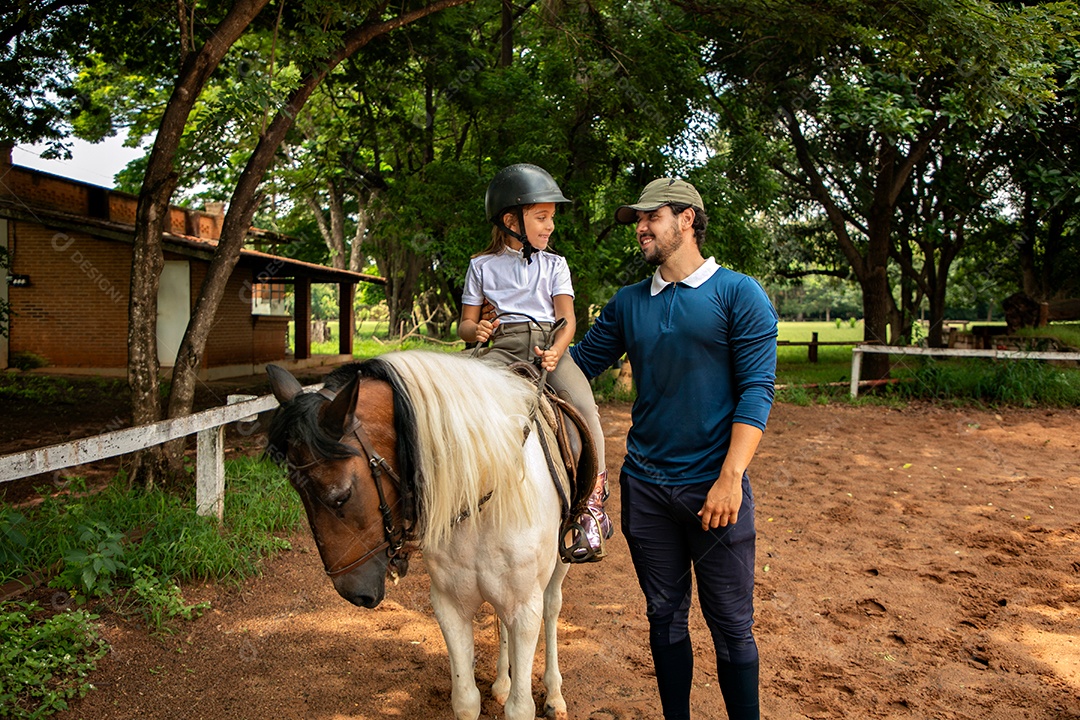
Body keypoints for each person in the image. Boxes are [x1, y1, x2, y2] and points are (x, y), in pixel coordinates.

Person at [568, 177, 778, 719]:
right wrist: (514, 342)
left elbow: (757, 390)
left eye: (651, 217)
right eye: (638, 220)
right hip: (647, 491)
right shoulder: (629, 303)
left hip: (714, 490)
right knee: (663, 617)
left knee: (731, 625)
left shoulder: (738, 293)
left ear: (687, 219)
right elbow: (577, 367)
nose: (641, 228)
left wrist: (731, 478)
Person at [457, 163, 613, 563]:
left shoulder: (555, 265)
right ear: (511, 221)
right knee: (455, 405)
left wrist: (558, 349)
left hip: (548, 348)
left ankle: (592, 507)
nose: (550, 226)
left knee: (586, 408)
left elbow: (568, 320)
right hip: (502, 347)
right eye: (541, 217)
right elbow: (465, 324)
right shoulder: (481, 266)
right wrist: (475, 330)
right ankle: (446, 494)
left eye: (552, 218)